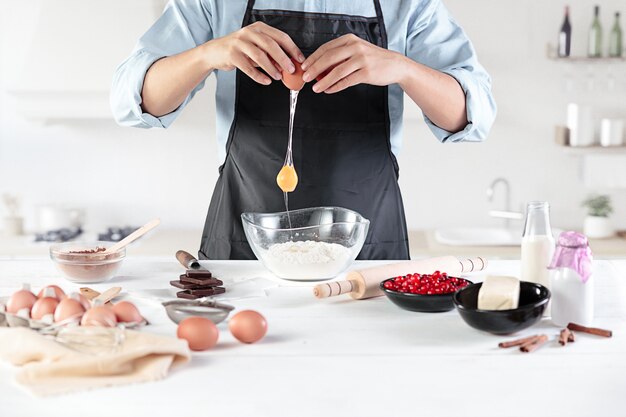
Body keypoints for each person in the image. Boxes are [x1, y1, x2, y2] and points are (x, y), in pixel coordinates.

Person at [111, 0, 496, 261]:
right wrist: (208, 53)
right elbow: (134, 102)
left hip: (366, 251)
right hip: (246, 248)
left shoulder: (408, 4)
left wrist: (402, 68)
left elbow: (471, 116)